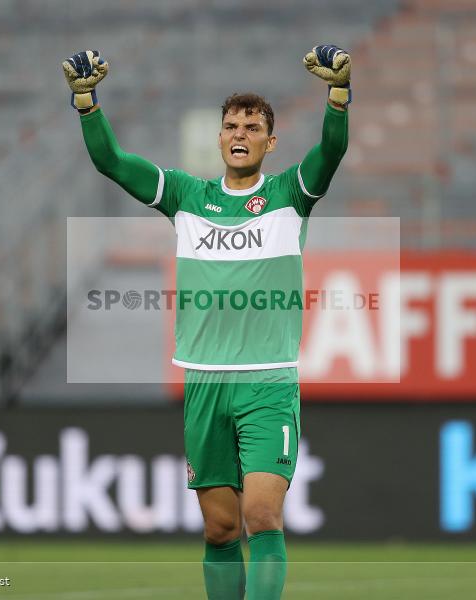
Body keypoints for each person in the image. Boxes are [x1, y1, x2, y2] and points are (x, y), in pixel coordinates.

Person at [62, 44, 350, 600]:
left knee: (262, 515)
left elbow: (332, 151)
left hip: (268, 382)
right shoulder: (187, 195)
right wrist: (86, 103)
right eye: (231, 126)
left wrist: (337, 96)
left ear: (270, 142)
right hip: (204, 381)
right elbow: (112, 163)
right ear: (219, 138)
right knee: (220, 528)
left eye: (253, 127)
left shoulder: (291, 194)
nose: (240, 133)